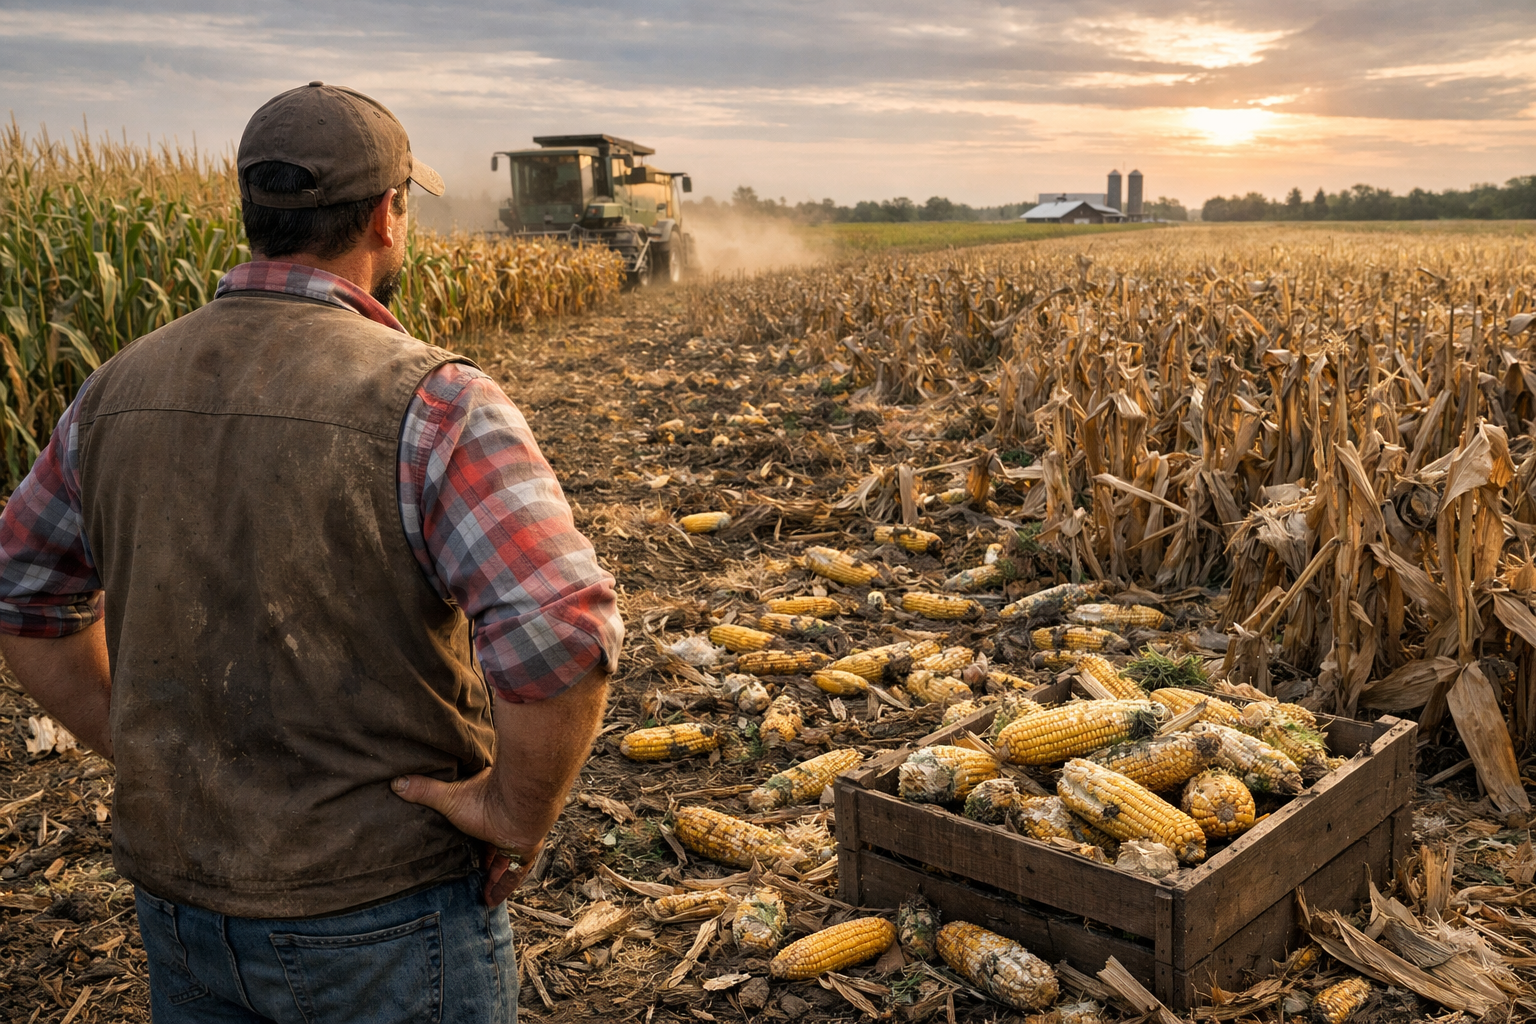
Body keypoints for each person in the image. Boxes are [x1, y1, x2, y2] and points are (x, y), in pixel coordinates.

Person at [0, 82, 621, 1023]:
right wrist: (514, 812)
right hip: (386, 917)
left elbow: (23, 596)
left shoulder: (111, 394)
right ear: (387, 212)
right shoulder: (434, 402)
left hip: (181, 909)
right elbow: (562, 629)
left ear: (252, 210)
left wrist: (126, 736)